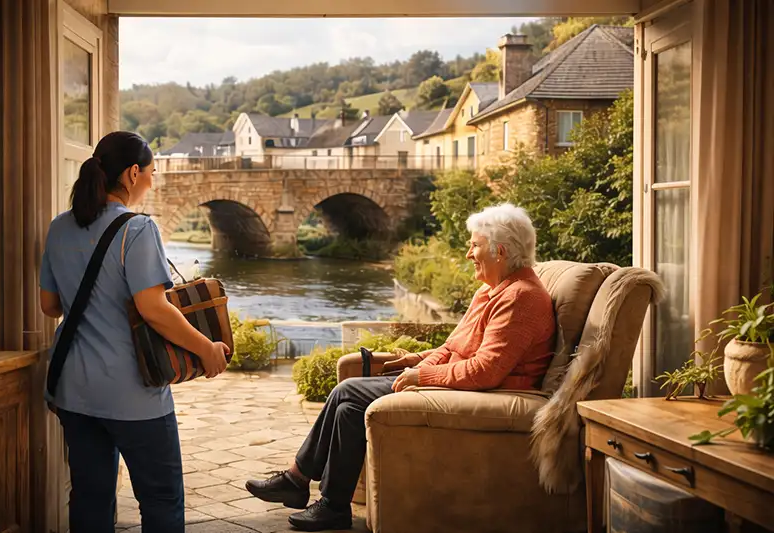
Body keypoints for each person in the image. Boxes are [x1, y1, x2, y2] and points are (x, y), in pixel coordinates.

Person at [245, 202, 557, 531]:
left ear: (500, 251)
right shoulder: (491, 291)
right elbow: (453, 347)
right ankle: (309, 489)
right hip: (463, 385)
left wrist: (422, 376)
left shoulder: (521, 298)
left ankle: (318, 495)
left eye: (474, 245)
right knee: (346, 398)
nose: (469, 254)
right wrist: (418, 361)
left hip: (488, 394)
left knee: (349, 394)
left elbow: (486, 371)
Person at [39, 131, 230, 533]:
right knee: (161, 500)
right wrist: (207, 348)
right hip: (133, 394)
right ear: (131, 173)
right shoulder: (137, 229)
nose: (152, 181)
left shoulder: (59, 227)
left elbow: (49, 306)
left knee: (90, 497)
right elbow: (154, 310)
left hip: (74, 389)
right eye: (151, 173)